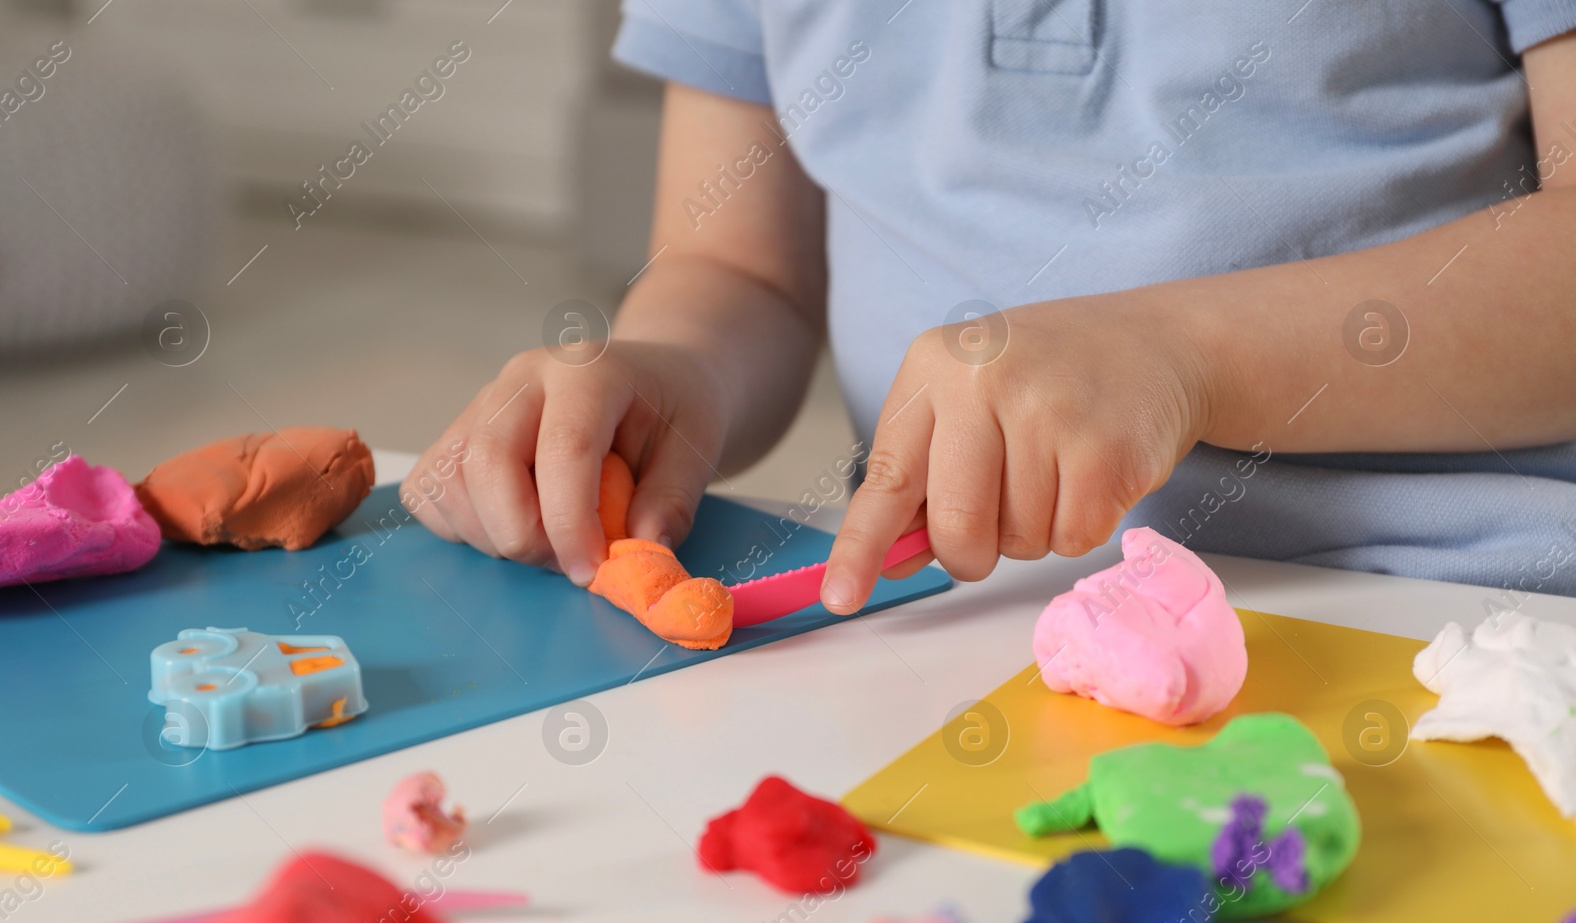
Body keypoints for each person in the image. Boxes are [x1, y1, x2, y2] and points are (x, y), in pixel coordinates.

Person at [406, 1, 1576, 610]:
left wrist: (1182, 351)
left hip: (1454, 608)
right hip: (952, 612)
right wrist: (664, 366)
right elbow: (736, 270)